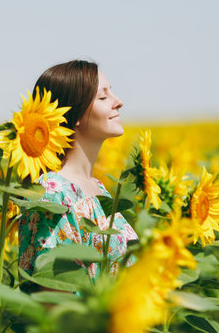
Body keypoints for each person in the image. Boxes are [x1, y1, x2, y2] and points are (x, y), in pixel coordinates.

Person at [17, 60, 138, 291]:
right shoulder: (52, 192)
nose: (118, 102)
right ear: (77, 114)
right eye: (103, 98)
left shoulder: (97, 188)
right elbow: (53, 298)